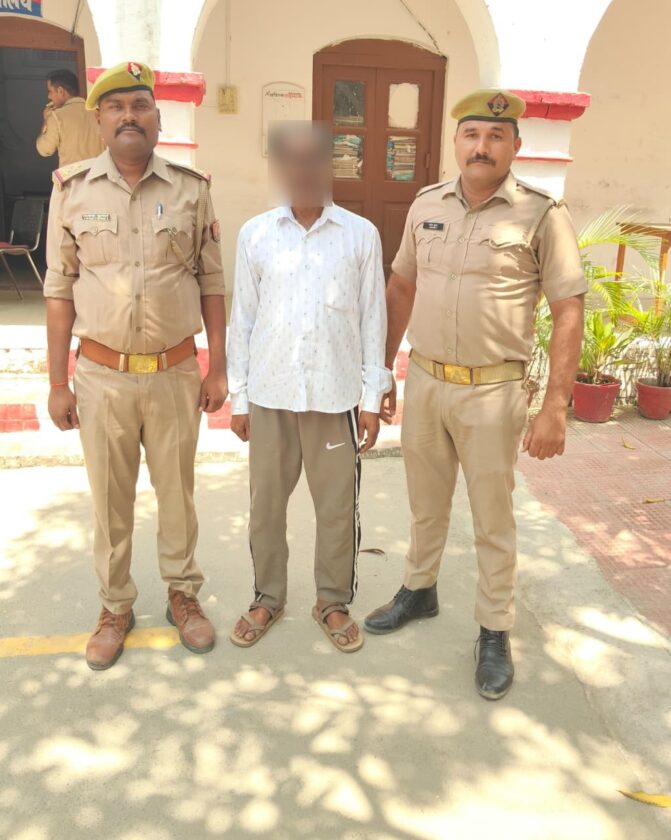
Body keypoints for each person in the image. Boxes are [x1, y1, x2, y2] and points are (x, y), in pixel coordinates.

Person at [364, 89, 587, 699]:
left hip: (493, 391)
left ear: (515, 145)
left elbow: (569, 308)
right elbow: (401, 286)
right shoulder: (426, 204)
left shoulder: (542, 213)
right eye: (471, 135)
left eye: (495, 136)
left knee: (492, 518)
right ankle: (419, 589)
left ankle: (494, 628)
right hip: (426, 381)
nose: (481, 147)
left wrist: (556, 406)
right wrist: (382, 372)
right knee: (425, 504)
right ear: (456, 142)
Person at [44, 62, 228, 670]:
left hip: (175, 372)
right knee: (110, 500)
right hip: (101, 377)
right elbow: (59, 290)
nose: (129, 115)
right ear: (99, 120)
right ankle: (115, 605)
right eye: (116, 106)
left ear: (158, 117)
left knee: (178, 494)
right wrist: (57, 382)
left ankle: (183, 594)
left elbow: (211, 281)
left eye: (140, 105)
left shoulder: (192, 188)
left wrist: (218, 367)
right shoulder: (71, 189)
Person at [227, 121, 390, 652]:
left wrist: (371, 399)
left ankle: (332, 601)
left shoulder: (361, 235)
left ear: (330, 166)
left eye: (314, 159)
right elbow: (242, 320)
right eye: (291, 160)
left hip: (334, 398)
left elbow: (373, 320)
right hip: (270, 396)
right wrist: (239, 397)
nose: (303, 171)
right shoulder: (255, 234)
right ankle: (267, 597)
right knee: (266, 507)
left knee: (337, 509)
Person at [36, 69, 104, 167]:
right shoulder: (99, 113)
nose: (49, 96)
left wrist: (45, 121)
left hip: (72, 176)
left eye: (50, 91)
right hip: (100, 174)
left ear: (60, 91)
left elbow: (45, 149)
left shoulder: (56, 116)